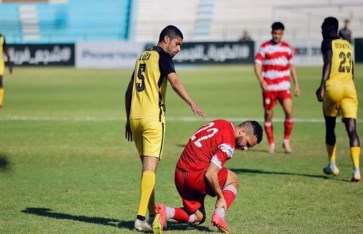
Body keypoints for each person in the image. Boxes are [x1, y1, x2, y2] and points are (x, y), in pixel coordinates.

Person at [124, 25, 206, 232]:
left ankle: (152, 216)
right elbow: (175, 81)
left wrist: (128, 119)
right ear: (166, 39)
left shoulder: (142, 57)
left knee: (147, 171)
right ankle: (140, 218)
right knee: (150, 170)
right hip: (153, 120)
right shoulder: (163, 57)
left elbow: (128, 91)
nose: (178, 49)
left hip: (135, 119)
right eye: (177, 43)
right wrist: (191, 102)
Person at [152, 119, 263, 234]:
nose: (245, 148)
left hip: (180, 174)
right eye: (248, 144)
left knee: (198, 217)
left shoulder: (221, 123)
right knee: (233, 179)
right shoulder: (228, 143)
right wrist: (221, 197)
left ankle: (165, 211)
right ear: (242, 132)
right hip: (195, 175)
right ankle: (220, 215)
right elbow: (210, 174)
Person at [316, 17, 361, 182]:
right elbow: (353, 69)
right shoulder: (348, 45)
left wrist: (322, 86)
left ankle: (332, 164)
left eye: (323, 29)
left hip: (333, 88)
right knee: (352, 130)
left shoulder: (327, 42)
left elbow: (327, 62)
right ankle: (356, 170)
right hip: (349, 88)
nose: (321, 32)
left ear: (329, 29)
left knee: (330, 126)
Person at [254, 22, 300, 154]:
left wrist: (296, 83)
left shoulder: (287, 48)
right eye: (274, 33)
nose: (276, 35)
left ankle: (286, 141)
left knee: (289, 112)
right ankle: (272, 144)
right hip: (269, 87)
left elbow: (292, 66)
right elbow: (257, 65)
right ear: (271, 33)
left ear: (282, 33)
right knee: (268, 114)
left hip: (283, 86)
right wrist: (261, 80)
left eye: (279, 33)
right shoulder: (264, 47)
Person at [0, 33, 13, 109]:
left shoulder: (2, 38)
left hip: (0, 63)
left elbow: (5, 50)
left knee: (0, 82)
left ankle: (0, 103)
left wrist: (10, 65)